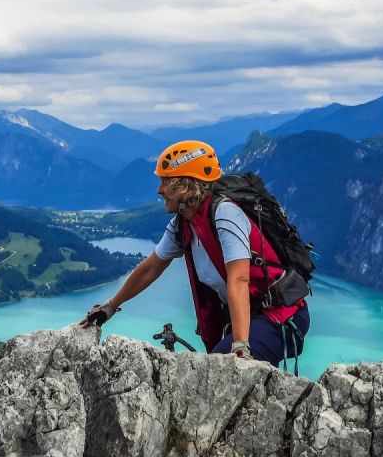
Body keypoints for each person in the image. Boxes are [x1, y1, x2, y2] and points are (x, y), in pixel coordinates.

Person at [80, 140, 310, 366]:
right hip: (252, 318)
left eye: (166, 182)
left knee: (220, 369)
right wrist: (110, 307)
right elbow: (150, 268)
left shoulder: (225, 213)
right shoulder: (184, 223)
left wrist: (240, 347)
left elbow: (239, 278)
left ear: (186, 184)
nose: (160, 190)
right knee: (218, 370)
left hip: (281, 316)